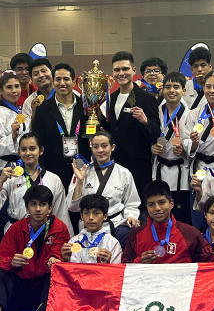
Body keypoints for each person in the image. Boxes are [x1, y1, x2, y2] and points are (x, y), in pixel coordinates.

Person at [0, 185, 71, 311]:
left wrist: (55, 259)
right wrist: (11, 262)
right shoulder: (16, 229)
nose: (38, 209)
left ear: (50, 208)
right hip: (21, 289)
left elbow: (59, 253)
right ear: (26, 208)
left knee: (55, 275)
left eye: (43, 204)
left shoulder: (60, 229)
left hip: (44, 293)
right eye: (33, 204)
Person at [0, 132, 73, 234]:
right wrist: (0, 180)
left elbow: (61, 212)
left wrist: (66, 238)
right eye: (23, 149)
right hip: (17, 231)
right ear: (18, 151)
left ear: (41, 150)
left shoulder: (53, 179)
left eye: (32, 149)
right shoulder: (11, 177)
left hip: (46, 231)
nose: (27, 153)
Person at [105, 51, 161, 203]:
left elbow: (155, 133)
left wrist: (145, 121)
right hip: (115, 163)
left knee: (138, 211)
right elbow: (112, 129)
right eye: (117, 70)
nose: (121, 73)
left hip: (138, 166)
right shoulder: (111, 98)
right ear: (112, 73)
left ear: (134, 70)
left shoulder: (146, 98)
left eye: (125, 69)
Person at [68, 131, 141, 246]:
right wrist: (80, 181)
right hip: (89, 227)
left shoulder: (124, 173)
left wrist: (130, 216)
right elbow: (73, 207)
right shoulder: (82, 170)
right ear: (91, 147)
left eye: (104, 146)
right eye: (95, 146)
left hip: (116, 225)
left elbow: (131, 203)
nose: (100, 150)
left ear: (112, 147)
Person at [121, 181, 214, 264]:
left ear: (171, 204)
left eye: (161, 202)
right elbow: (124, 268)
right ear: (146, 207)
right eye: (151, 204)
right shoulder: (135, 235)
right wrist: (139, 262)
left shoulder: (190, 233)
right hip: (147, 283)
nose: (157, 208)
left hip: (181, 284)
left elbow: (211, 264)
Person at [30, 62, 90, 190]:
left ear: (74, 82)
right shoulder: (43, 109)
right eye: (58, 79)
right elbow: (39, 142)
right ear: (53, 82)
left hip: (82, 167)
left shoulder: (86, 107)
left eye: (66, 79)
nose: (62, 83)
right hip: (53, 169)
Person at [152, 72, 194, 224]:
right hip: (160, 166)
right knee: (159, 209)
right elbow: (148, 134)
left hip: (180, 168)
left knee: (180, 212)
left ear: (183, 90)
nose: (171, 90)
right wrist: (152, 148)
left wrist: (185, 151)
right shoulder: (156, 111)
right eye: (167, 87)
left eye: (176, 87)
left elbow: (195, 143)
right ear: (162, 90)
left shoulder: (191, 114)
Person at [0, 71, 31, 185]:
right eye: (9, 87)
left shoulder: (20, 112)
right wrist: (13, 135)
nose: (14, 91)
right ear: (1, 91)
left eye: (17, 86)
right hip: (2, 168)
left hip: (20, 165)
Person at [61, 194, 123, 264]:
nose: (90, 217)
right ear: (81, 216)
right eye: (86, 213)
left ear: (105, 216)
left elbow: (116, 272)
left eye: (96, 213)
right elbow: (69, 272)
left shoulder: (113, 243)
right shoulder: (73, 241)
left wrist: (107, 264)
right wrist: (66, 260)